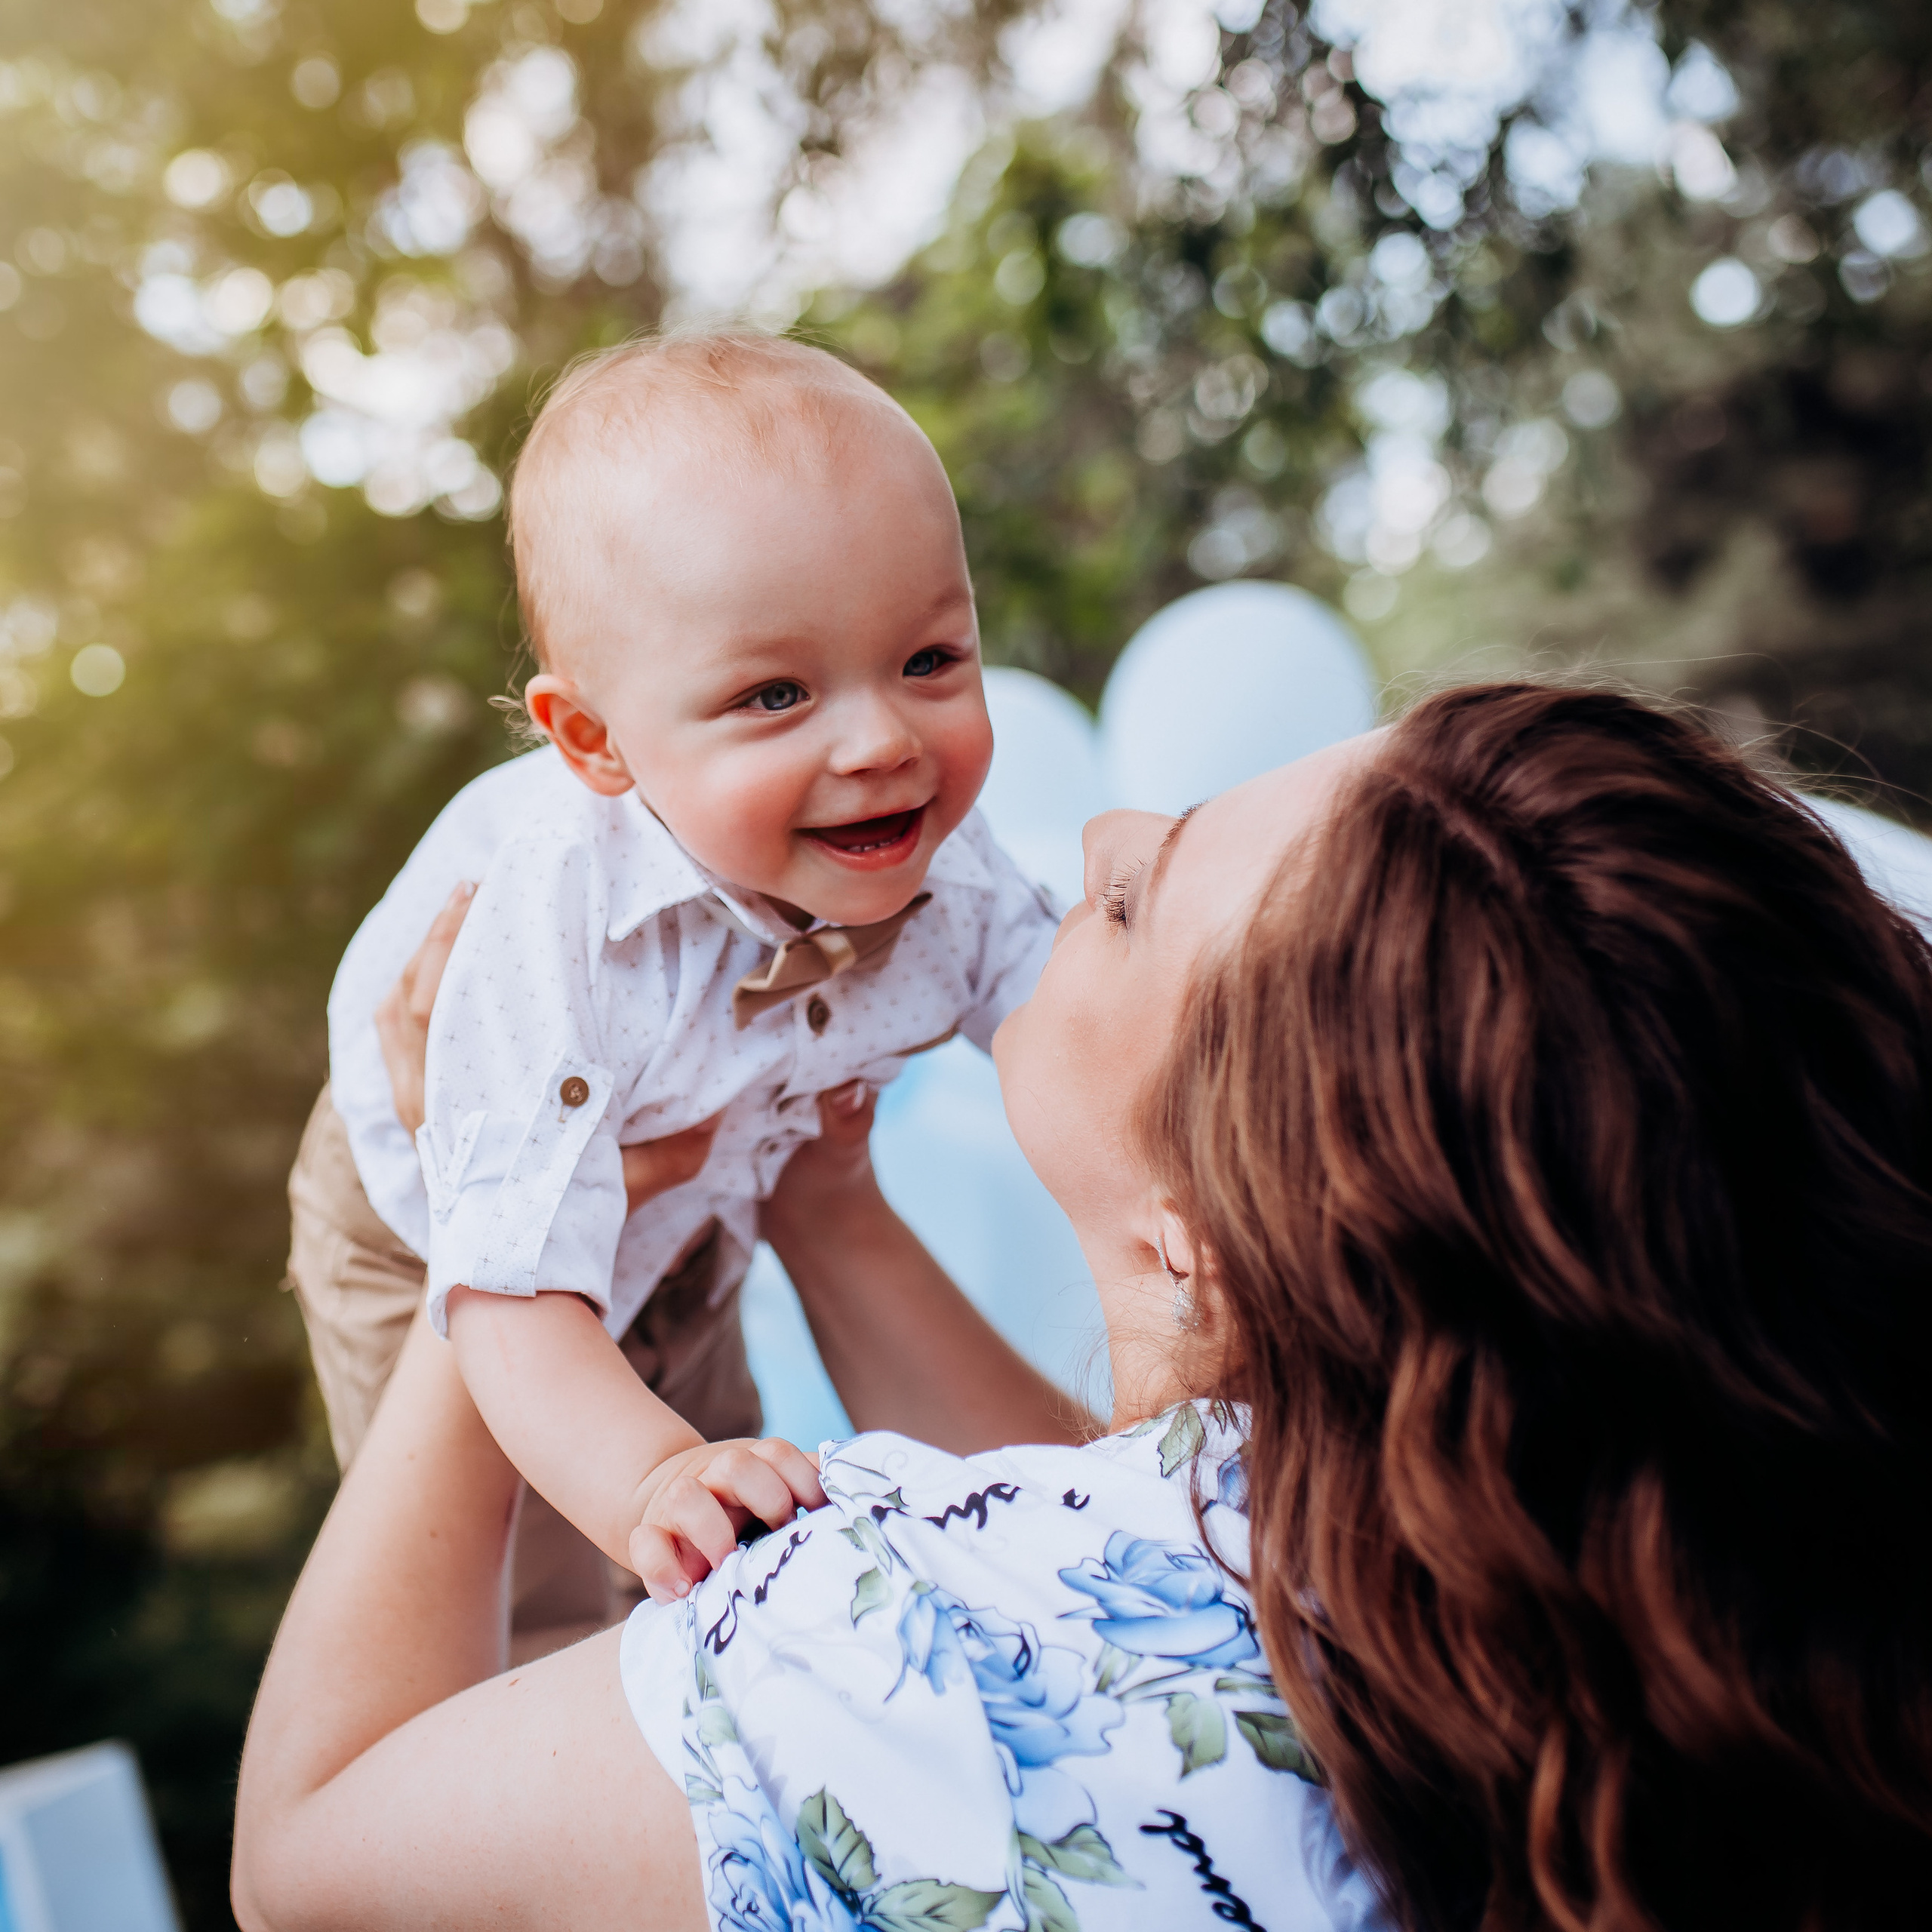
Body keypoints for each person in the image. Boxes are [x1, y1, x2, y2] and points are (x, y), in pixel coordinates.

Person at [234, 685, 1932, 1930]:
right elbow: (1120, 1549)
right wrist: (825, 1201)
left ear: (1207, 1234)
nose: (1097, 839)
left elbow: (310, 1864)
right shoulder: (1628, 1589)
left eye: (1134, 897)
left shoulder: (882, 1665)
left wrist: (511, 1210)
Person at [284, 328, 1057, 1634]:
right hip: (445, 1219)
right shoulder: (562, 922)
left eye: (930, 660)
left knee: (732, 1506)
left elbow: (1074, 1027)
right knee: (524, 1576)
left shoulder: (951, 862)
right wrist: (649, 1478)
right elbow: (508, 1285)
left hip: (693, 1198)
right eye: (777, 695)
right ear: (597, 742)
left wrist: (1201, 1167)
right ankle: (542, 1688)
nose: (883, 742)